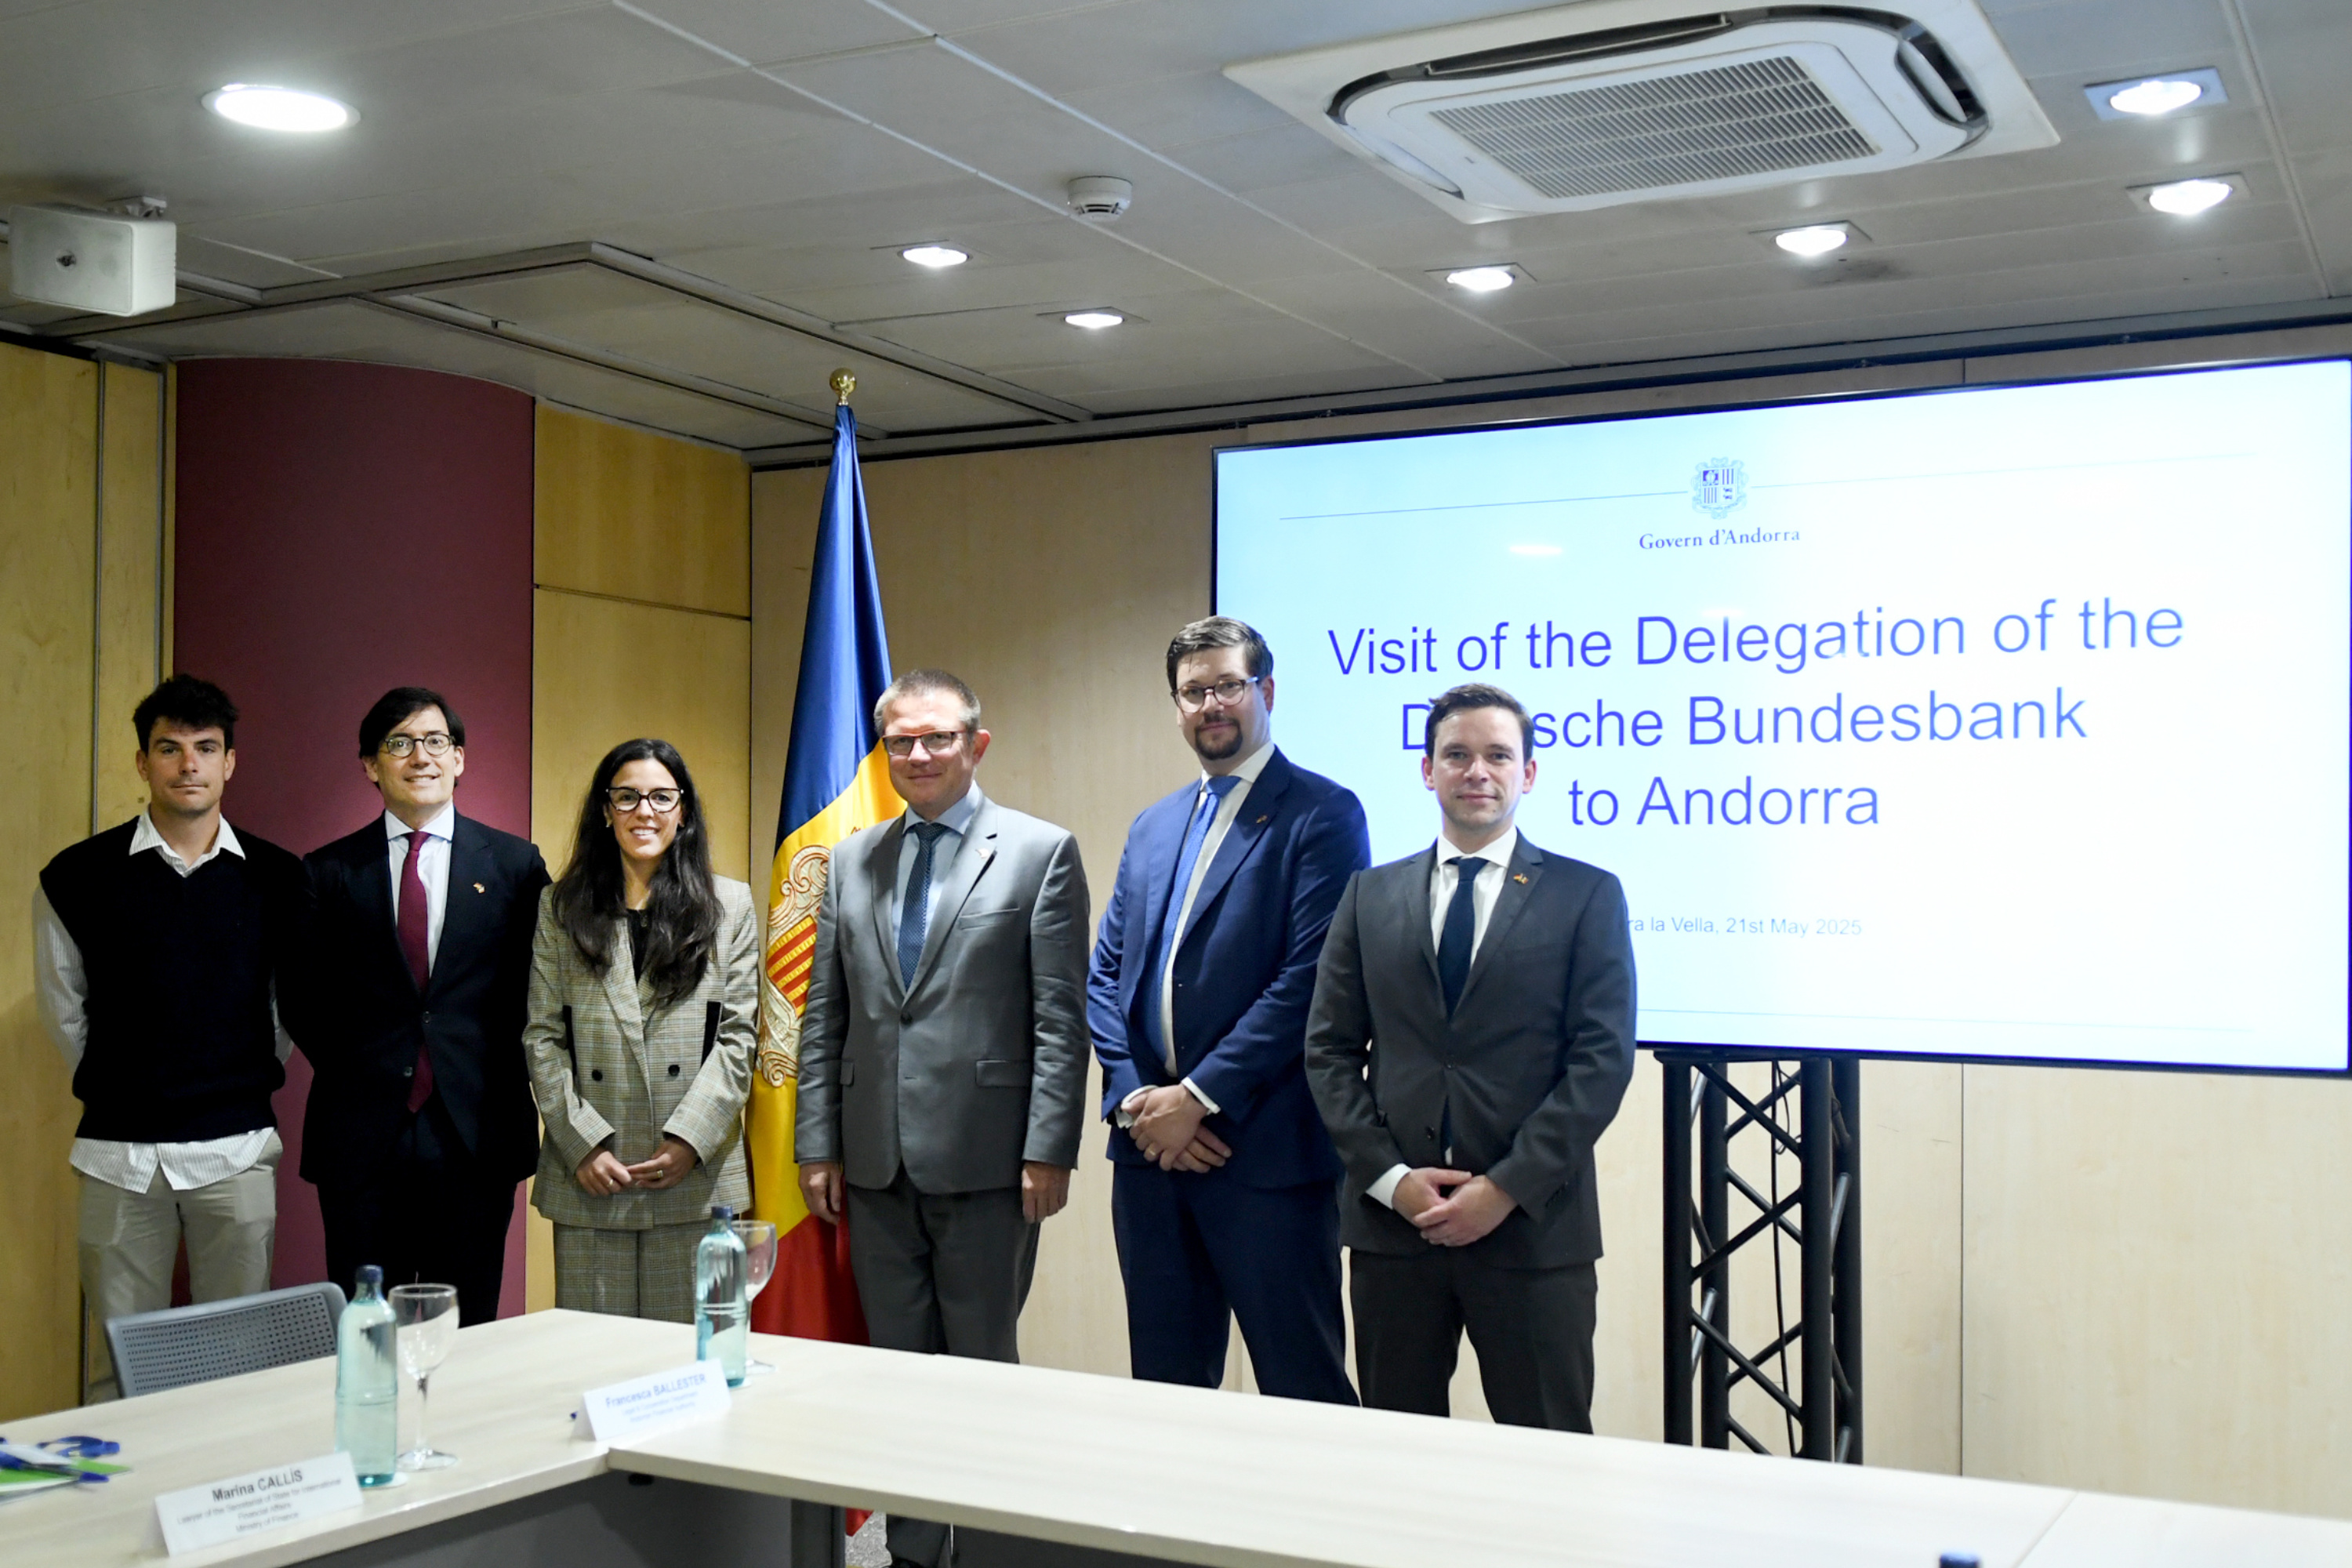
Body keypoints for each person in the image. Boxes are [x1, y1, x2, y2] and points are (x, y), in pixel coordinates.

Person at [796, 669, 1089, 1568]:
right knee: (897, 1370)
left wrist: (1049, 1148)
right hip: (875, 1162)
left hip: (991, 1162)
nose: (918, 755)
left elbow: (1059, 1017)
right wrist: (818, 1141)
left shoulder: (1040, 851)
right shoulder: (852, 858)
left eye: (937, 738)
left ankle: (994, 1544)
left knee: (980, 1366)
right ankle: (915, 1549)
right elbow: (824, 1015)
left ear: (977, 743)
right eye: (900, 741)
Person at [1304, 682, 1636, 1432]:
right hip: (1396, 1231)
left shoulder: (1587, 896)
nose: (1476, 771)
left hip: (1532, 1231)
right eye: (1457, 755)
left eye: (1497, 755)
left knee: (1547, 1456)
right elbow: (1326, 1051)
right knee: (1397, 1456)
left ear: (1529, 773)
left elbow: (1602, 1061)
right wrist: (1391, 1181)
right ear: (1428, 770)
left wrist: (1505, 1189)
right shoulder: (1368, 895)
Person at [1087, 617, 1366, 1402]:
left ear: (1265, 691)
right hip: (1149, 1158)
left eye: (1228, 685)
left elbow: (1309, 978)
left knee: (1302, 1386)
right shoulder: (1154, 824)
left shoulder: (1323, 814)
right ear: (1176, 707)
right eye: (1194, 690)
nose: (1212, 703)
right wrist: (1140, 1099)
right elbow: (1106, 976)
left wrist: (1198, 1098)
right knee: (1166, 1392)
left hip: (1266, 1155)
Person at [33, 674, 306, 1328]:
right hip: (118, 1157)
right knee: (120, 1365)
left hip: (235, 1150)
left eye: (206, 748)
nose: (189, 765)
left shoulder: (277, 878)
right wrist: (128, 1081)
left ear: (229, 762)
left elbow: (284, 1012)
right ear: (142, 761)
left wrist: (228, 1077)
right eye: (169, 748)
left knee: (235, 1356)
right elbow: (63, 1007)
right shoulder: (77, 876)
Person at [288, 688, 549, 1324]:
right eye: (399, 744)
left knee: (466, 1324)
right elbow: (300, 996)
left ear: (459, 759)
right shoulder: (326, 872)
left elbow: (539, 994)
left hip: (475, 1133)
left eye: (435, 742)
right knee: (366, 1327)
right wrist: (370, 1067)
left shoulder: (516, 867)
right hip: (361, 1136)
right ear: (371, 766)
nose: (420, 757)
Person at [521, 739, 758, 1321]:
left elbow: (739, 1038)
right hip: (593, 1175)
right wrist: (583, 1144)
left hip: (695, 1177)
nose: (643, 812)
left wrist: (688, 1141)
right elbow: (541, 1036)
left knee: (696, 1367)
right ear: (605, 811)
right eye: (626, 797)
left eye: (660, 797)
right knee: (593, 1362)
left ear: (683, 810)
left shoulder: (729, 905)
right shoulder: (561, 908)